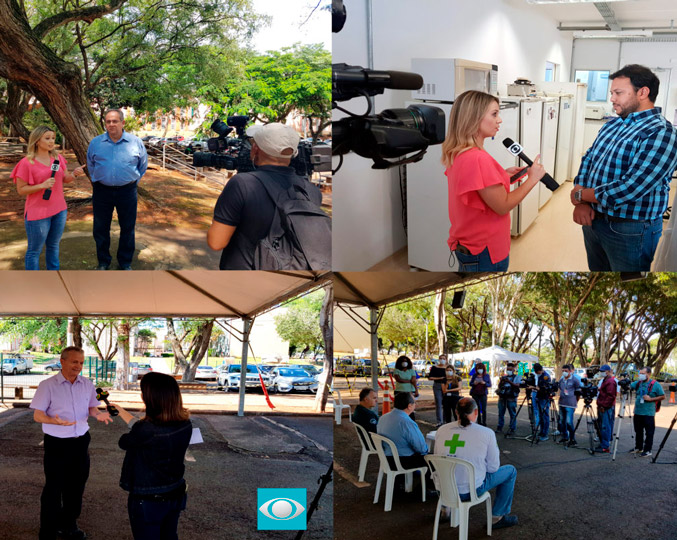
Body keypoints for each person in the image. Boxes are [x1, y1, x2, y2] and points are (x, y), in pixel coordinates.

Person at [570, 64, 677, 271]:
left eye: (618, 93)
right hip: (593, 220)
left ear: (643, 92)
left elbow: (631, 188)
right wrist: (581, 200)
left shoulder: (661, 133)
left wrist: (580, 195)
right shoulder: (614, 124)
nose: (612, 99)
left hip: (630, 229)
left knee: (628, 283)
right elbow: (589, 159)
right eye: (612, 93)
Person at [440, 90, 545, 271]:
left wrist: (503, 174)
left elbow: (478, 186)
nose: (500, 120)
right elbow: (502, 205)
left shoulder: (460, 153)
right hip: (485, 250)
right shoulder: (478, 159)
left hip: (468, 244)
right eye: (494, 114)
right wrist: (532, 180)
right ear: (473, 118)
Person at [207, 122, 326, 270]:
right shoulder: (312, 191)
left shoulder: (242, 184)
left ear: (255, 148)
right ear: (293, 153)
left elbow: (216, 242)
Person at [29, 346, 112, 540]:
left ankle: (68, 526)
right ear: (62, 361)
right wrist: (53, 420)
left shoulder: (87, 384)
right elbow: (37, 415)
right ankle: (48, 531)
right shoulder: (47, 385)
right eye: (75, 362)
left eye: (81, 362)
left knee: (76, 487)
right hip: (57, 443)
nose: (78, 366)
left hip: (81, 442)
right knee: (54, 488)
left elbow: (92, 406)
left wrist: (98, 415)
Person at [111, 372, 192, 540]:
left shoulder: (146, 430)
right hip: (174, 492)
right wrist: (120, 411)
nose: (141, 395)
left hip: (148, 500)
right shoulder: (185, 423)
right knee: (169, 536)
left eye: (143, 391)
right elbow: (144, 431)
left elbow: (125, 441)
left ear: (151, 398)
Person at [434, 397, 518, 530]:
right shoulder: (486, 433)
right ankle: (497, 517)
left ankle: (446, 509)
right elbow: (493, 468)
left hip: (444, 489)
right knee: (510, 471)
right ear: (476, 412)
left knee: (449, 472)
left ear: (456, 412)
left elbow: (438, 458)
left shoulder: (442, 430)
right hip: (470, 491)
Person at [10, 125, 84, 270]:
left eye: (53, 138)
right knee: (34, 251)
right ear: (37, 141)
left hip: (59, 210)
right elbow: (21, 190)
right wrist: (41, 186)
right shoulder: (27, 163)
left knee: (53, 245)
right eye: (47, 138)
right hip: (38, 213)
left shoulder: (57, 158)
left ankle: (54, 276)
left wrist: (75, 174)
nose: (51, 142)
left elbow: (65, 178)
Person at [87, 108, 148, 270]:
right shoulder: (96, 143)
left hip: (127, 191)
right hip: (102, 191)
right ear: (105, 124)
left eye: (115, 121)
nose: (111, 124)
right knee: (100, 228)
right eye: (108, 121)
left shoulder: (136, 142)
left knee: (127, 228)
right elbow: (91, 165)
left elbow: (142, 166)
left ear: (122, 123)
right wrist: (99, 179)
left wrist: (130, 181)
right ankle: (103, 261)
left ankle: (125, 262)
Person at [376, 392, 430, 486]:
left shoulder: (383, 418)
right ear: (409, 406)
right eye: (414, 403)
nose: (415, 405)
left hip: (386, 458)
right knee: (433, 460)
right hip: (402, 461)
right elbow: (421, 448)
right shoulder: (406, 422)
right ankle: (425, 488)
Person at [629, 367, 665, 457]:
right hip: (637, 411)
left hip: (648, 413)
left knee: (649, 432)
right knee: (638, 431)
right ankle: (638, 447)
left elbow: (663, 396)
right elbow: (629, 386)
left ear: (648, 374)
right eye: (640, 373)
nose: (640, 375)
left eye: (642, 373)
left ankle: (648, 449)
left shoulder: (655, 384)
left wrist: (651, 399)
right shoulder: (638, 383)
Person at [595, 364, 617, 453]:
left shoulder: (610, 382)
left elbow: (611, 396)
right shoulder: (605, 380)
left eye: (603, 371)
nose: (601, 373)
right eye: (601, 371)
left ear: (608, 371)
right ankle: (603, 443)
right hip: (602, 405)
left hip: (606, 407)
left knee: (605, 426)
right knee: (602, 425)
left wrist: (604, 406)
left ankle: (605, 446)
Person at [557, 364, 581, 447]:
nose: (564, 372)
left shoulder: (575, 380)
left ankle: (572, 439)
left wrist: (575, 401)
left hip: (570, 405)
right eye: (563, 371)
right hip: (561, 403)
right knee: (562, 421)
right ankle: (564, 436)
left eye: (566, 371)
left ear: (570, 371)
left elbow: (578, 393)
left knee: (569, 422)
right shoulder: (561, 380)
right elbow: (560, 389)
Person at [527, 363, 552, 442]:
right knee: (539, 414)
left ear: (540, 370)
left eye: (537, 372)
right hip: (537, 396)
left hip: (544, 398)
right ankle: (541, 431)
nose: (536, 373)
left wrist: (533, 387)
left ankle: (545, 433)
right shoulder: (536, 375)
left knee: (545, 416)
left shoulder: (545, 376)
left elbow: (544, 389)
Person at [495, 362, 521, 436]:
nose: (509, 371)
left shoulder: (517, 377)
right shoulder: (503, 377)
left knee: (512, 414)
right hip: (502, 397)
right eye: (507, 369)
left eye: (510, 369)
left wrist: (509, 381)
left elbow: (517, 385)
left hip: (511, 398)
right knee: (501, 413)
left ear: (513, 370)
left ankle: (512, 428)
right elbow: (499, 387)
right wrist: (502, 381)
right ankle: (499, 427)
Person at [469, 360, 491, 426]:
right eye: (478, 369)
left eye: (481, 369)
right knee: (476, 408)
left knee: (484, 408)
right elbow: (470, 383)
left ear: (483, 369)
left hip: (483, 393)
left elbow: (489, 384)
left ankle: (484, 422)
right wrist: (474, 383)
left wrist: (484, 383)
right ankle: (478, 421)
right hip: (475, 393)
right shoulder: (474, 375)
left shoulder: (486, 376)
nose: (480, 370)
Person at [428, 354, 448, 426]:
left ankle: (446, 420)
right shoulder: (435, 368)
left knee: (446, 404)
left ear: (446, 360)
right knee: (438, 403)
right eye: (441, 358)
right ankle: (439, 421)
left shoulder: (448, 368)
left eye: (444, 358)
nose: (442, 360)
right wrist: (440, 378)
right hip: (437, 386)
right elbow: (430, 377)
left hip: (447, 386)